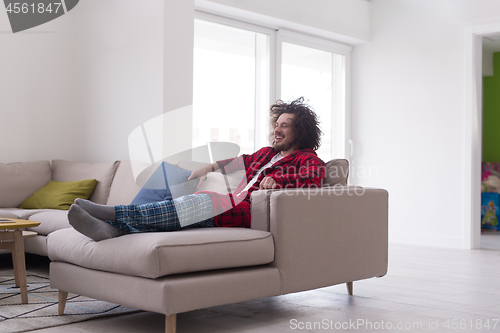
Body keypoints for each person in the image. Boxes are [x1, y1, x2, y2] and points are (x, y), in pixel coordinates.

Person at [68, 97, 326, 241]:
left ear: (300, 130)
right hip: (234, 203)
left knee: (200, 202)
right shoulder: (266, 153)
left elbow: (313, 178)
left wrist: (278, 182)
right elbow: (238, 162)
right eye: (277, 125)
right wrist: (208, 167)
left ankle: (111, 213)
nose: (277, 130)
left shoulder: (307, 159)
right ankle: (111, 230)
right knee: (186, 212)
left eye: (285, 126)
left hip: (253, 213)